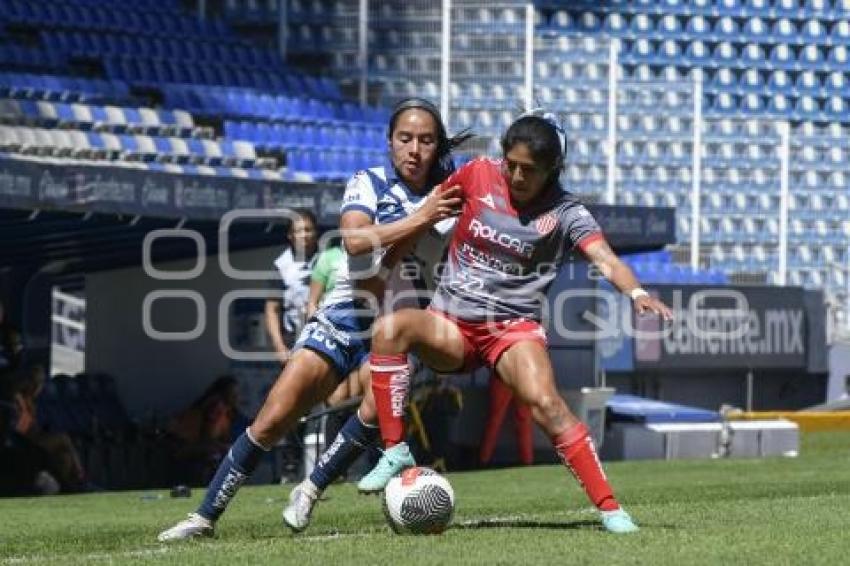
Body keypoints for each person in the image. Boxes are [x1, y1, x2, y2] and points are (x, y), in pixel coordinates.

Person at [157, 97, 469, 541]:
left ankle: (311, 487)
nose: (415, 149)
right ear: (389, 142)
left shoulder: (450, 196)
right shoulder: (369, 182)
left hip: (400, 328)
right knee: (272, 419)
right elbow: (356, 241)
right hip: (346, 314)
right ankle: (204, 516)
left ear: (438, 147)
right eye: (405, 139)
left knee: (375, 409)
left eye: (426, 140)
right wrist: (421, 218)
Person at [359, 111, 674, 534]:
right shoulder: (475, 175)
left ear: (552, 171)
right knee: (389, 330)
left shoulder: (566, 213)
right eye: (512, 164)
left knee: (546, 405)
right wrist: (383, 271)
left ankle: (611, 509)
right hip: (450, 325)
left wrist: (636, 293)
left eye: (530, 170)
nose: (518, 175)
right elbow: (425, 220)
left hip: (511, 329)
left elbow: (604, 258)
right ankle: (395, 450)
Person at [165, 376, 245, 485]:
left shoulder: (228, 411)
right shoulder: (216, 406)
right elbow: (206, 439)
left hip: (190, 446)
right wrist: (226, 447)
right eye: (234, 394)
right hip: (181, 447)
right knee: (223, 454)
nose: (237, 397)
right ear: (225, 393)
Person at [265, 210, 319, 367]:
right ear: (290, 235)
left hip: (326, 338)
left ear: (316, 232)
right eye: (298, 231)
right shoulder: (281, 266)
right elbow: (271, 309)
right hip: (293, 340)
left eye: (308, 230)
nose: (304, 235)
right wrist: (278, 346)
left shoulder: (329, 258)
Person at [479, 373, 533, 466]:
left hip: (502, 374)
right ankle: (527, 462)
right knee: (524, 421)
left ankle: (483, 460)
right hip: (523, 375)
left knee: (495, 420)